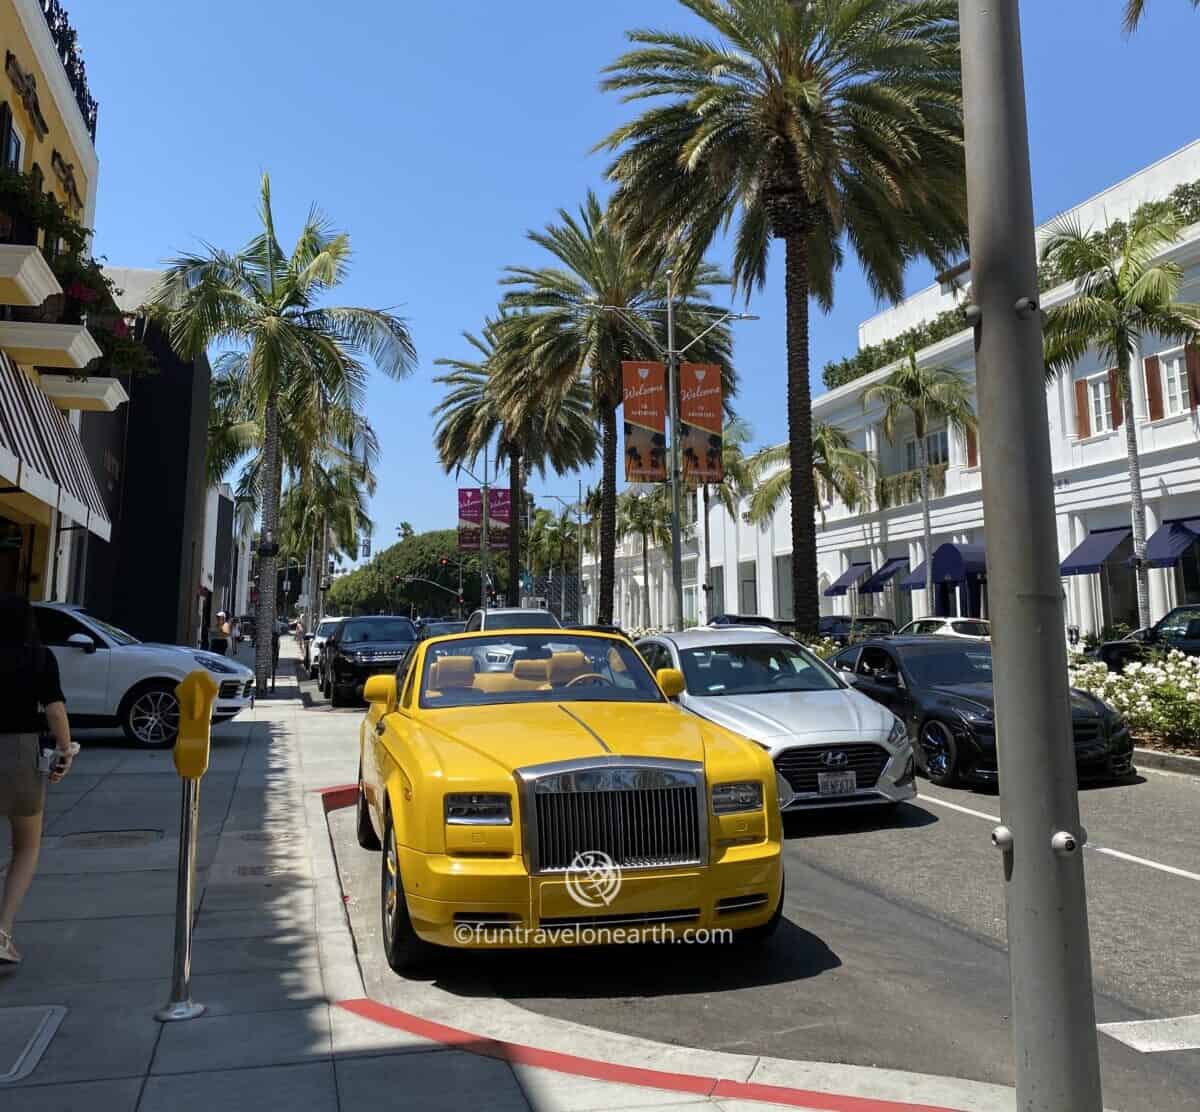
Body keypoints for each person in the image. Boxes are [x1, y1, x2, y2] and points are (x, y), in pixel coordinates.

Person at [0, 593, 77, 967]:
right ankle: (2, 933)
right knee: (26, 848)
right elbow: (55, 710)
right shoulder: (39, 657)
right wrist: (66, 750)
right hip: (18, 753)